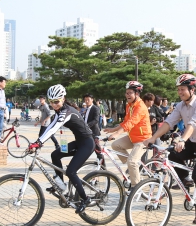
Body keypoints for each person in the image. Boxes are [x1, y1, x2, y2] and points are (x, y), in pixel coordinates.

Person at [143, 74, 196, 225]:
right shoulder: (180, 106)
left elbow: (193, 124)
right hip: (193, 142)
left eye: (183, 89)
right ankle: (186, 179)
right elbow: (169, 122)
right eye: (178, 89)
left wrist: (183, 140)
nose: (180, 92)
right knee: (173, 154)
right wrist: (153, 138)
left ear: (192, 89)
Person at [29, 85, 95, 213]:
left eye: (56, 101)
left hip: (87, 143)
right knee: (55, 155)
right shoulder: (59, 111)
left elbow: (55, 127)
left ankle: (85, 199)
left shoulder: (67, 111)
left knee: (71, 171)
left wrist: (39, 142)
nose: (54, 104)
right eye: (51, 102)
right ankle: (60, 185)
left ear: (63, 99)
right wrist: (37, 141)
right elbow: (50, 126)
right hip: (79, 142)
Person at [104, 81, 152, 189]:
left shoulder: (141, 107)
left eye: (130, 93)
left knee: (132, 161)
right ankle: (132, 166)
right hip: (132, 137)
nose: (127, 95)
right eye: (126, 93)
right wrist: (114, 129)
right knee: (116, 145)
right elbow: (126, 121)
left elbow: (132, 122)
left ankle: (136, 187)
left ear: (137, 94)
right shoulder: (129, 105)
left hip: (143, 139)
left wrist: (117, 133)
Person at [83, 93, 104, 166]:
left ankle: (103, 165)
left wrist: (86, 126)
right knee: (86, 147)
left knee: (97, 149)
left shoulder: (95, 108)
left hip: (94, 132)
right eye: (85, 100)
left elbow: (96, 120)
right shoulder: (86, 109)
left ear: (92, 100)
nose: (86, 101)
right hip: (87, 132)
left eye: (88, 99)